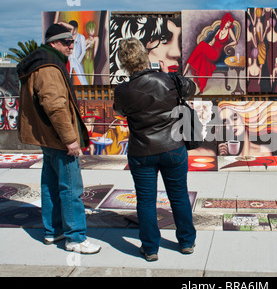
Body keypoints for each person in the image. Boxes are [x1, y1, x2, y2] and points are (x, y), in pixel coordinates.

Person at [16, 24, 101, 254]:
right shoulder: (49, 67)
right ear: (53, 43)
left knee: (51, 186)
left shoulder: (40, 62)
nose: (71, 46)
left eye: (72, 41)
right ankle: (75, 238)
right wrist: (70, 140)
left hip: (48, 138)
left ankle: (53, 231)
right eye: (65, 42)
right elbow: (55, 106)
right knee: (71, 189)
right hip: (59, 139)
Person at [114, 37, 197, 262]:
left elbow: (120, 112)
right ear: (144, 55)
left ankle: (150, 248)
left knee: (146, 200)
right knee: (179, 196)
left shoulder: (122, 90)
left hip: (141, 151)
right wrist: (172, 76)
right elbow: (192, 88)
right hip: (173, 148)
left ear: (124, 62)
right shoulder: (168, 80)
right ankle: (187, 242)